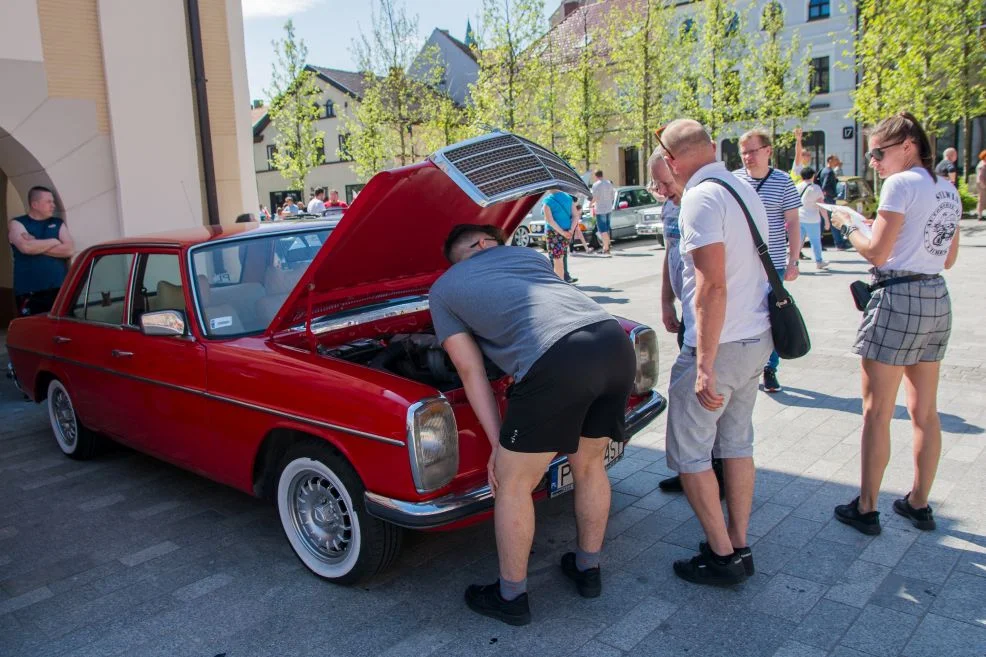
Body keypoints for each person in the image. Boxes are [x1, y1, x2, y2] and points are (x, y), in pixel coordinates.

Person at [430, 224, 635, 625]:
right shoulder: (530, 257)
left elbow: (470, 372)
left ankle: (510, 598)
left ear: (464, 254)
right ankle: (588, 570)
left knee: (513, 483)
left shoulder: (444, 288)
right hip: (613, 341)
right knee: (589, 465)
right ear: (490, 243)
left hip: (557, 361)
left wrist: (497, 446)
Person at [830, 112, 961, 536]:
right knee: (925, 411)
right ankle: (919, 503)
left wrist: (850, 226)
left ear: (907, 145)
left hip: (898, 298)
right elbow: (949, 258)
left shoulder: (900, 184)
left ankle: (866, 508)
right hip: (935, 296)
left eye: (878, 152)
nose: (873, 161)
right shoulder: (948, 189)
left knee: (877, 412)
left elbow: (878, 253)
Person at [656, 119, 772, 587]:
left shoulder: (701, 198)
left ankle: (722, 555)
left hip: (719, 346)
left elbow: (711, 286)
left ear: (671, 160)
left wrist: (702, 363)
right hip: (755, 339)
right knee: (737, 444)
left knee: (691, 453)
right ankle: (739, 544)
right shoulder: (741, 189)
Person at [649, 149, 729, 499]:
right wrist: (666, 299)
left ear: (679, 168)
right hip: (688, 311)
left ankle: (716, 472)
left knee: (711, 398)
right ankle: (693, 472)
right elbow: (671, 253)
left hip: (713, 315)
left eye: (664, 181)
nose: (661, 189)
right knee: (695, 402)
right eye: (656, 183)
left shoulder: (706, 201)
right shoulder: (670, 207)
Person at [732, 129, 801, 394]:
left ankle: (769, 368)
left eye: (753, 150)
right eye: (744, 152)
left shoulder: (782, 181)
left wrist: (793, 260)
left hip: (772, 264)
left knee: (773, 314)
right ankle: (744, 364)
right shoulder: (734, 180)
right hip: (740, 263)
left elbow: (793, 222)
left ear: (768, 151)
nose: (748, 157)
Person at [8, 186, 74, 316]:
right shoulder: (18, 223)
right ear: (35, 204)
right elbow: (25, 247)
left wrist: (35, 244)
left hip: (59, 289)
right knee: (32, 332)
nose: (53, 205)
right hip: (30, 291)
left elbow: (69, 249)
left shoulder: (57, 223)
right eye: (49, 202)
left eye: (53, 202)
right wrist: (54, 241)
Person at [796, 167, 830, 270]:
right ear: (813, 176)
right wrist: (827, 220)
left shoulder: (797, 187)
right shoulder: (816, 188)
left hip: (799, 218)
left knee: (798, 242)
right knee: (815, 242)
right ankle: (819, 262)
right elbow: (821, 205)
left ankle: (793, 262)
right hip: (812, 219)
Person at [542, 189, 579, 280]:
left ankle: (560, 284)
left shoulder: (547, 201)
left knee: (557, 261)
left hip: (553, 233)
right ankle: (562, 282)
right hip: (567, 232)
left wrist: (562, 232)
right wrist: (570, 231)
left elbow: (549, 220)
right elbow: (576, 216)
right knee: (561, 259)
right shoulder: (569, 198)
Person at [819, 155, 849, 250]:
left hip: (824, 198)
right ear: (830, 160)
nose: (837, 161)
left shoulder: (823, 170)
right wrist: (831, 195)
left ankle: (819, 244)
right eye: (836, 159)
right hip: (829, 199)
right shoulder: (829, 172)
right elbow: (825, 186)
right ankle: (839, 244)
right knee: (834, 220)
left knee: (822, 221)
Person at [590, 170, 616, 256]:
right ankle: (606, 247)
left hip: (600, 209)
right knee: (607, 228)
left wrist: (591, 204)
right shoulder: (609, 183)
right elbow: (612, 196)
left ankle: (606, 248)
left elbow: (595, 197)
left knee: (602, 230)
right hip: (608, 208)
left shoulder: (596, 185)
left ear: (596, 176)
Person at [977, 150, 986, 221]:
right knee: (982, 200)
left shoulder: (982, 163)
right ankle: (979, 215)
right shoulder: (983, 165)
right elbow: (980, 176)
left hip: (982, 183)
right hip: (982, 184)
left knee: (982, 199)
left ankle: (980, 215)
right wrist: (983, 184)